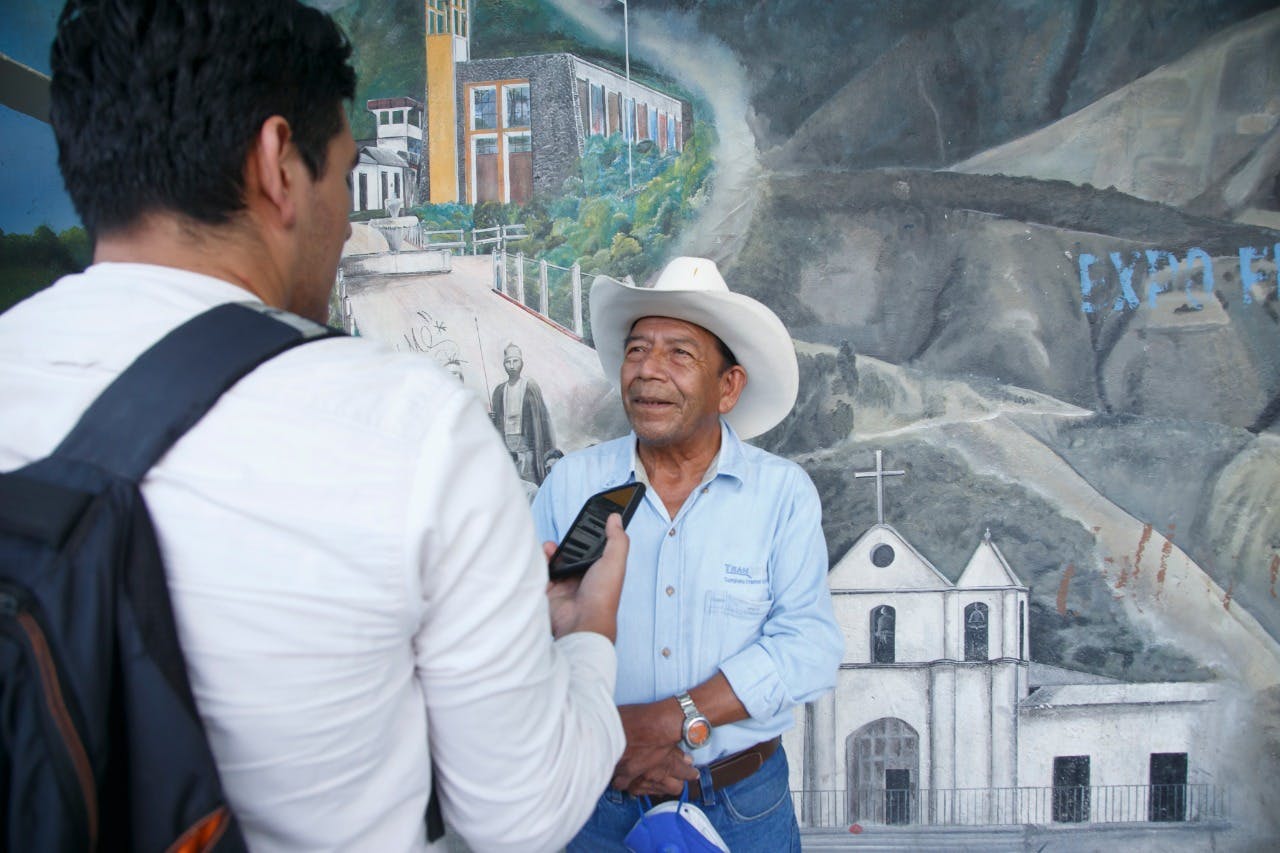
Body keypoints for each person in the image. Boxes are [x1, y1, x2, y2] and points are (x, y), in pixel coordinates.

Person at [0, 2, 628, 850]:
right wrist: (587, 638)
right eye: (340, 172)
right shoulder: (412, 432)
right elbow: (521, 817)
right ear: (277, 166)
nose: (342, 216)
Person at [531, 256, 845, 851]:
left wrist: (665, 721)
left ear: (728, 386)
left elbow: (809, 645)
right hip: (596, 799)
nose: (648, 371)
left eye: (679, 354)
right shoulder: (573, 486)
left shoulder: (780, 494)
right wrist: (606, 741)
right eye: (636, 350)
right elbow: (514, 637)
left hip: (742, 805)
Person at [490, 342, 558, 485]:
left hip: (527, 449)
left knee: (530, 485)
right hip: (508, 448)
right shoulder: (499, 391)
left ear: (522, 363)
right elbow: (496, 423)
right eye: (508, 362)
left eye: (515, 361)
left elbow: (539, 420)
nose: (512, 365)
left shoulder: (530, 386)